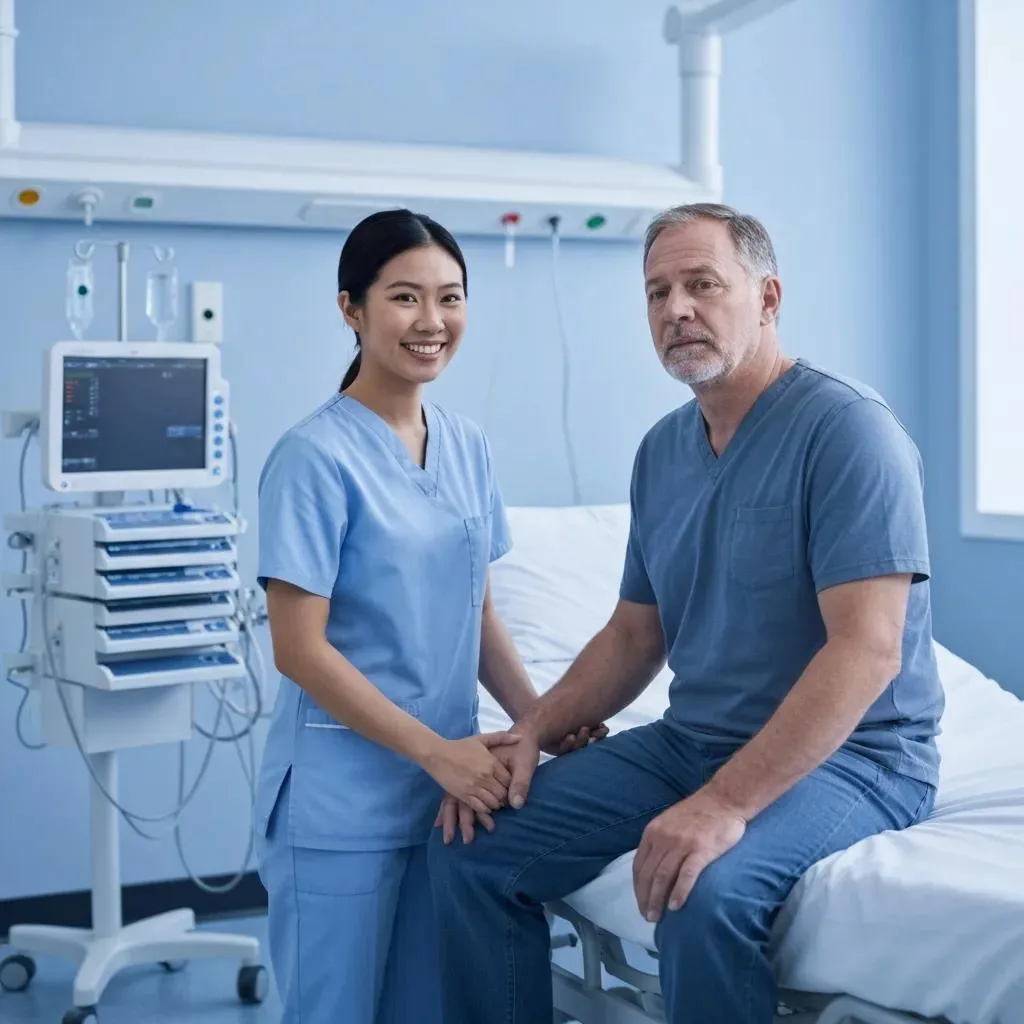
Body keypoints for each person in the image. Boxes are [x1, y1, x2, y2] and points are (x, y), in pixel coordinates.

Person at [427, 202, 944, 1023]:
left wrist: (724, 805)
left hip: (857, 756)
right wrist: (531, 730)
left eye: (703, 285)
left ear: (768, 298)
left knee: (701, 893)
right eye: (657, 292)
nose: (676, 310)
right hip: (693, 740)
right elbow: (636, 633)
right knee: (470, 847)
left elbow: (868, 651)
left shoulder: (848, 432)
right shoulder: (662, 451)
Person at [251, 208, 601, 1024]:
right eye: (405, 297)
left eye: (450, 297)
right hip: (345, 799)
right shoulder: (313, 458)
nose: (432, 321)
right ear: (352, 309)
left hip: (448, 794)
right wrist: (435, 753)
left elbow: (475, 609)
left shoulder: (466, 444)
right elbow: (299, 651)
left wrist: (539, 721)